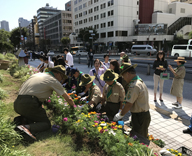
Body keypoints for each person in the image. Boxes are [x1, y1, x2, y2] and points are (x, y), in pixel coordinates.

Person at [14, 65, 75, 139]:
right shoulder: (53, 80)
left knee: (36, 116)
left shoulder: (37, 75)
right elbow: (68, 99)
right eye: (62, 78)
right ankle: (25, 127)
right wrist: (74, 108)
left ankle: (23, 120)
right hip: (28, 104)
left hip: (17, 104)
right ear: (58, 74)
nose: (61, 80)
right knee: (46, 124)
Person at [113, 63, 151, 138]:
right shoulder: (139, 81)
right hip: (141, 115)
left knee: (140, 138)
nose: (123, 78)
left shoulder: (134, 85)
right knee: (139, 135)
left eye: (123, 76)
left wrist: (120, 114)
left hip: (140, 116)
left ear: (127, 74)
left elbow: (129, 104)